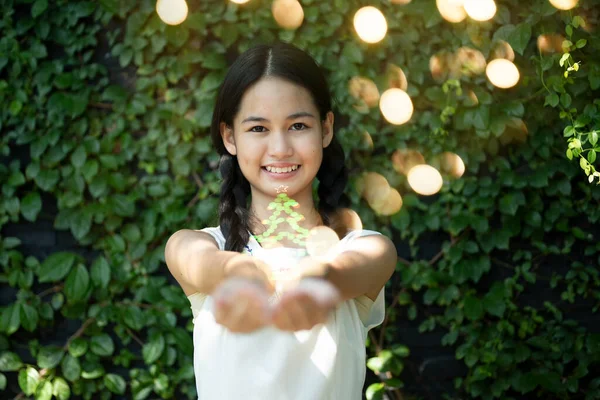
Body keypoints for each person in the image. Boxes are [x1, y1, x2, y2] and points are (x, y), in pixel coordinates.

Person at [164, 41, 397, 400]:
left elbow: (346, 272)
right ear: (230, 137)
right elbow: (202, 263)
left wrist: (315, 282)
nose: (280, 149)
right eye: (258, 129)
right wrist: (240, 276)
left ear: (326, 128)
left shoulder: (365, 248)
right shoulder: (199, 245)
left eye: (298, 125)